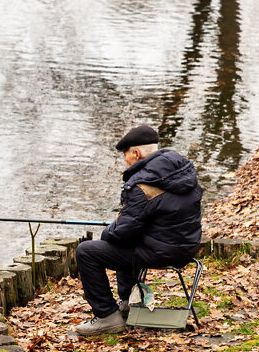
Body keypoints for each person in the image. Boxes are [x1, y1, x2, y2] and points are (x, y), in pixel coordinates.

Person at [72, 125, 204, 336]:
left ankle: (107, 316)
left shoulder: (143, 185)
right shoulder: (183, 173)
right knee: (128, 241)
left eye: (125, 155)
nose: (125, 160)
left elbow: (122, 232)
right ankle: (127, 302)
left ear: (136, 153)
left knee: (87, 251)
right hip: (187, 247)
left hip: (161, 252)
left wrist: (108, 232)